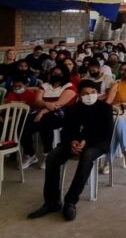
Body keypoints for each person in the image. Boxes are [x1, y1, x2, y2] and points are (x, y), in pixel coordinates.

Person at [27, 80, 115, 222]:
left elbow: (106, 133)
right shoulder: (74, 109)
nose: (90, 95)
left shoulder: (105, 108)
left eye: (93, 92)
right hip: (74, 142)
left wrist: (86, 141)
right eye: (85, 93)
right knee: (52, 157)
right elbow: (67, 130)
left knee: (86, 156)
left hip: (97, 143)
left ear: (97, 93)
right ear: (79, 95)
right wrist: (72, 141)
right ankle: (52, 202)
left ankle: (71, 201)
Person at [21, 66, 77, 169]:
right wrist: (46, 106)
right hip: (41, 113)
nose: (56, 76)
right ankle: (30, 154)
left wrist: (43, 110)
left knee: (46, 122)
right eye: (54, 73)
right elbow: (37, 101)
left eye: (59, 74)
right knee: (22, 124)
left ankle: (48, 153)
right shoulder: (45, 86)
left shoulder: (69, 87)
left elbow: (59, 104)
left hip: (62, 115)